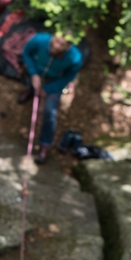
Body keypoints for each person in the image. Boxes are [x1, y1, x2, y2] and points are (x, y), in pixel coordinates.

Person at [19, 33, 82, 164]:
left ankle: (44, 145)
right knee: (31, 83)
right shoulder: (40, 40)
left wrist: (49, 89)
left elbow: (69, 76)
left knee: (49, 112)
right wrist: (33, 73)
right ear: (53, 36)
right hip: (36, 73)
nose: (57, 46)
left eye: (62, 44)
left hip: (53, 82)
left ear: (69, 46)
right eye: (56, 41)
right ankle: (30, 91)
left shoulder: (75, 57)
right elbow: (26, 52)